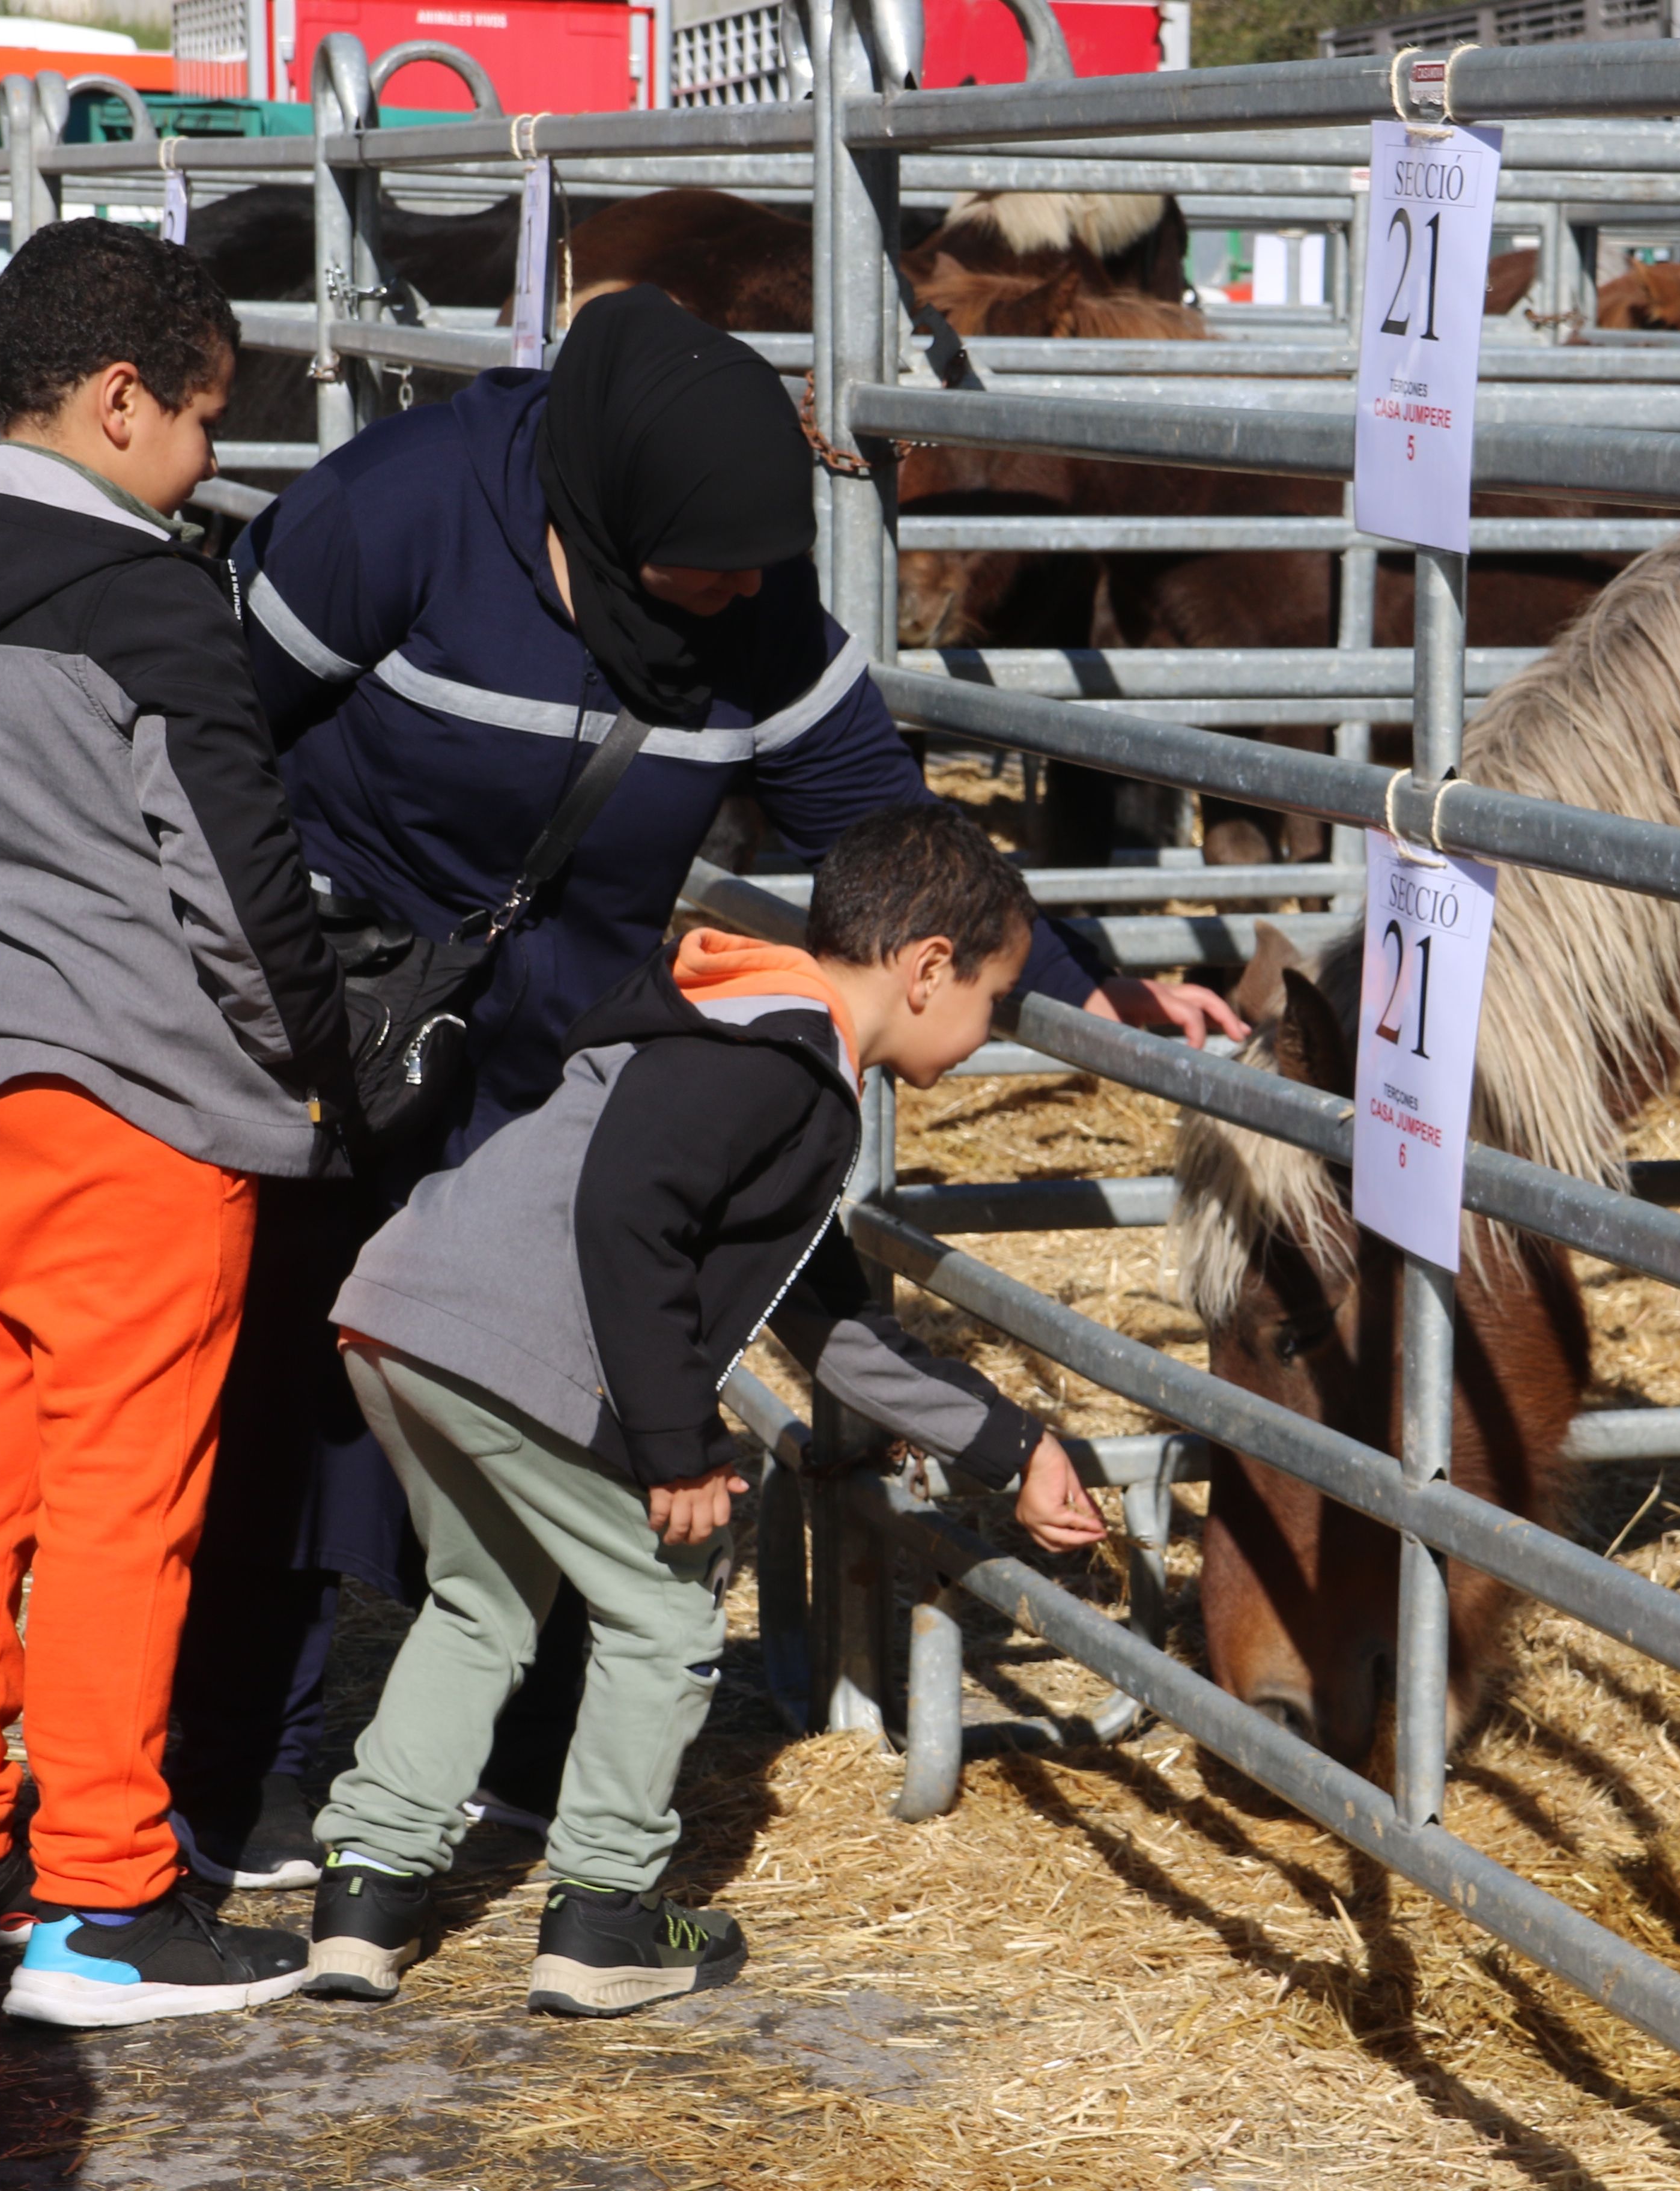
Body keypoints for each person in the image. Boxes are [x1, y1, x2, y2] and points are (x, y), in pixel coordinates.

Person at [165, 283, 1246, 1886]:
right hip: (337, 1003)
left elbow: (886, 830)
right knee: (294, 1373)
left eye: (758, 566)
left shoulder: (756, 618)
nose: (734, 592)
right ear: (599, 510)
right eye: (706, 564)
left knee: (590, 1358)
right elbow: (213, 727)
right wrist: (265, 971)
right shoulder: (403, 509)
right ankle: (253, 1749)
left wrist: (1095, 982)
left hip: (557, 1026)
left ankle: (530, 1749)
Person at [0, 219, 363, 2026]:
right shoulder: (150, 607)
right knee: (128, 1504)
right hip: (144, 1122)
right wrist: (308, 1067)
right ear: (125, 402)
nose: (208, 458)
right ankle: (109, 1898)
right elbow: (243, 894)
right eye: (203, 417)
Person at [300, 802, 1108, 2017]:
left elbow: (831, 1324)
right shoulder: (773, 1060)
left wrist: (1016, 1445)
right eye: (996, 995)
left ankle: (364, 1892)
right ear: (929, 968)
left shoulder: (747, 1038)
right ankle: (604, 1919)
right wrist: (673, 1447)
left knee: (483, 1601)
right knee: (668, 1604)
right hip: (513, 1346)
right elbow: (631, 1212)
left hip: (407, 1315)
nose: (992, 1029)